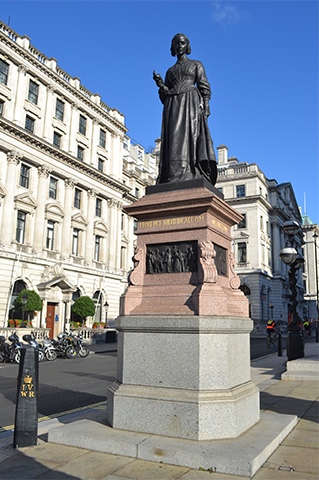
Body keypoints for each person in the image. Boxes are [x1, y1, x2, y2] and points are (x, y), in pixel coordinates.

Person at [153, 33, 217, 185]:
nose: (179, 46)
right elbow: (165, 96)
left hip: (191, 103)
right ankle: (173, 173)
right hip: (173, 105)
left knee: (191, 136)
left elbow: (204, 86)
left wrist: (206, 105)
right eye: (176, 43)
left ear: (187, 46)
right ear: (172, 47)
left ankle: (191, 169)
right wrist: (161, 85)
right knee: (174, 138)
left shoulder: (196, 64)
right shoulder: (170, 71)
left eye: (182, 43)